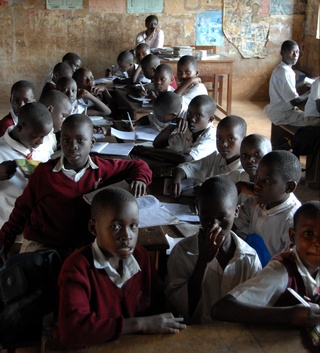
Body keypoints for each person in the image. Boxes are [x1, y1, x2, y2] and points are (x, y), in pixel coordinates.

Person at [0, 114, 152, 259]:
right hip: (44, 244)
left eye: (80, 140)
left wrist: (140, 179)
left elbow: (139, 165)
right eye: (66, 140)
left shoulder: (101, 168)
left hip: (83, 246)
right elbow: (21, 210)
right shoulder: (44, 173)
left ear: (92, 142)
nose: (73, 146)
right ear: (61, 141)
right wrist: (4, 240)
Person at [57, 187, 186, 348]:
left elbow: (159, 306)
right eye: (116, 227)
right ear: (93, 228)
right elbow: (72, 332)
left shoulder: (141, 256)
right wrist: (140, 324)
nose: (127, 235)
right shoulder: (77, 268)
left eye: (133, 226)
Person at [165, 177, 261, 324]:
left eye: (222, 217)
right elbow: (185, 309)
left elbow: (254, 307)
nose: (214, 225)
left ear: (236, 212)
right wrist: (202, 261)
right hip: (197, 337)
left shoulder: (249, 258)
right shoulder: (182, 253)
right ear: (197, 209)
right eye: (206, 216)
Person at [211, 201, 320, 329]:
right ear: (292, 236)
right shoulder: (280, 273)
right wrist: (288, 315)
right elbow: (221, 309)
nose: (317, 243)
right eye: (308, 234)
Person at [233, 151, 302, 265]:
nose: (257, 185)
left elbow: (291, 265)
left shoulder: (292, 221)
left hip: (272, 274)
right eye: (257, 178)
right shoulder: (256, 200)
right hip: (248, 264)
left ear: (289, 187)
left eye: (266, 181)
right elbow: (233, 226)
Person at [0, 102, 54, 229]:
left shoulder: (42, 143)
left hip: (37, 222)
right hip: (7, 224)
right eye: (37, 137)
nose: (41, 141)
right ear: (20, 128)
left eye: (44, 137)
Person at [169, 115, 247, 197]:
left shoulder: (245, 171)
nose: (223, 144)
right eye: (219, 138)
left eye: (231, 139)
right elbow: (187, 167)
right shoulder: (215, 157)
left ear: (244, 140)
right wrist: (176, 180)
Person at [150, 95, 217, 163]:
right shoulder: (189, 131)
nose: (192, 119)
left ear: (210, 119)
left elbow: (185, 159)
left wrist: (149, 152)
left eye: (198, 116)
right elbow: (158, 143)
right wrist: (173, 123)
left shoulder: (212, 137)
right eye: (189, 113)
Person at [264, 40, 309, 126]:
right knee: (314, 122)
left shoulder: (282, 69)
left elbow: (285, 88)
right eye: (291, 52)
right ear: (282, 53)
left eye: (297, 52)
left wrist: (303, 82)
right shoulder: (284, 72)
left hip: (278, 110)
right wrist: (311, 91)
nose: (295, 56)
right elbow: (294, 101)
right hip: (282, 113)